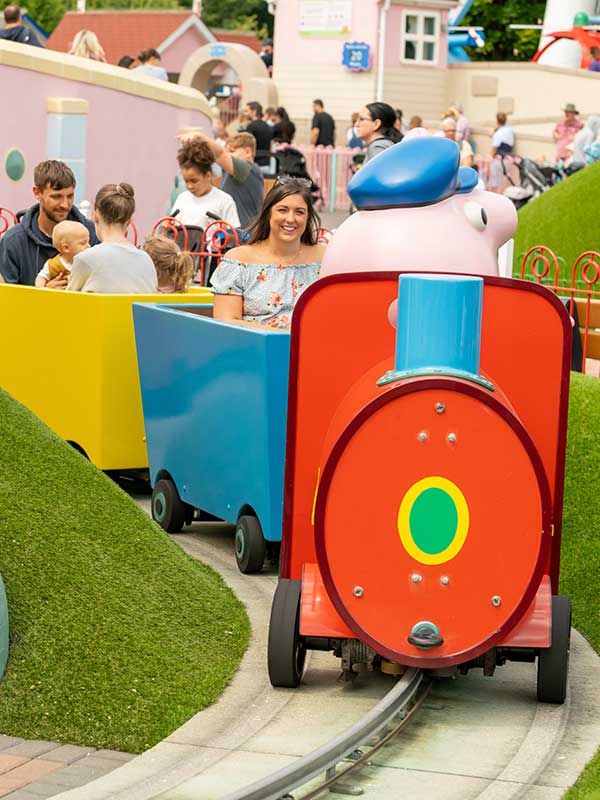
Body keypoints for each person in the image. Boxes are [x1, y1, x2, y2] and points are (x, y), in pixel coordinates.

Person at [210, 177, 325, 329]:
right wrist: (287, 337)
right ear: (268, 213)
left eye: (299, 212)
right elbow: (226, 321)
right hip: (255, 350)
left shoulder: (325, 258)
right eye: (282, 210)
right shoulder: (238, 260)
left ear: (308, 217)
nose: (290, 219)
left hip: (312, 350)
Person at [0, 160, 98, 286]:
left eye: (70, 196)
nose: (65, 204)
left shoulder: (92, 233)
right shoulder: (13, 242)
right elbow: (8, 300)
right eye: (56, 197)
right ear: (37, 192)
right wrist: (46, 294)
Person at [68, 184, 157, 294]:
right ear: (129, 221)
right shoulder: (146, 260)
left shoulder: (85, 259)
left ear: (95, 216)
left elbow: (69, 304)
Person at [182, 130, 264, 229]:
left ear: (248, 152)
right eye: (227, 151)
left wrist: (199, 137)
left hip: (245, 236)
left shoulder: (249, 170)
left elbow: (220, 155)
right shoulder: (230, 173)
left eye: (232, 151)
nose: (228, 154)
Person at [171, 138, 240, 229]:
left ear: (208, 175)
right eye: (186, 181)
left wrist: (224, 231)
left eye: (194, 181)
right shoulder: (182, 199)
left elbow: (235, 235)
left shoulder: (224, 201)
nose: (189, 186)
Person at [34, 221, 90, 288]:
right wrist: (42, 289)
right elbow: (41, 277)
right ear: (66, 248)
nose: (89, 246)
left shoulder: (87, 262)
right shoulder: (53, 265)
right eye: (83, 243)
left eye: (88, 241)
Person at [243, 101, 273, 168]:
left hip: (254, 164)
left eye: (247, 111)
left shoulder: (251, 126)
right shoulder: (268, 127)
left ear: (254, 111)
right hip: (267, 164)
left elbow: (246, 146)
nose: (246, 114)